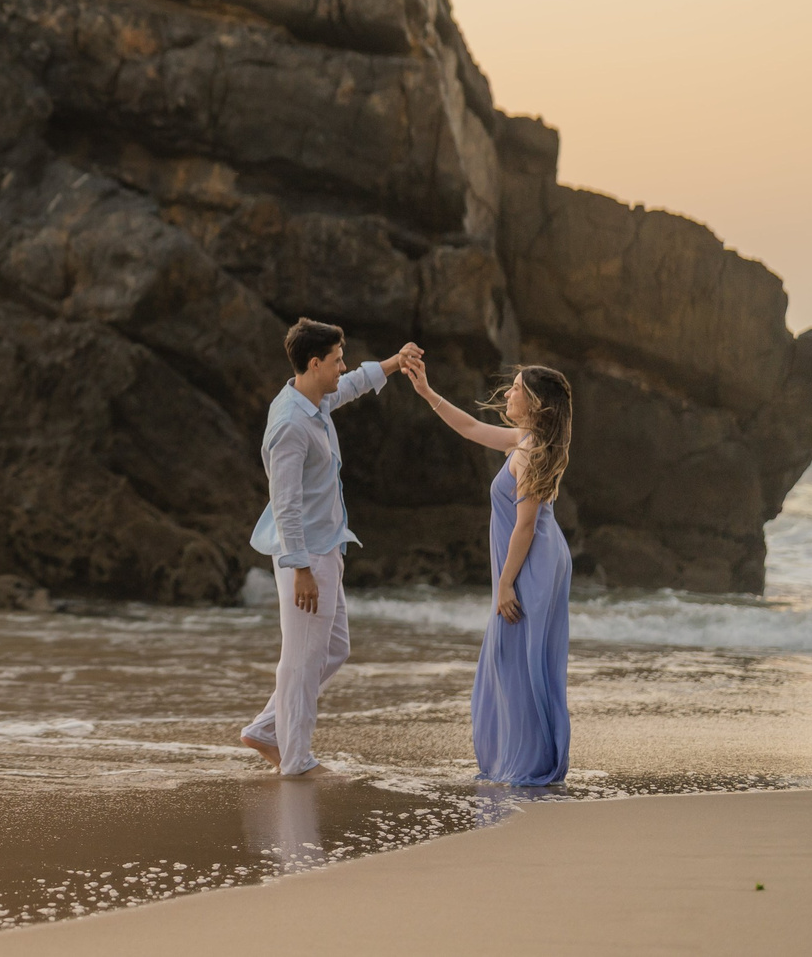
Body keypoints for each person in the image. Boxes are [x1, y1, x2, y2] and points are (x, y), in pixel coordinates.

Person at [240, 319, 424, 776]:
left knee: (334, 649)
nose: (343, 367)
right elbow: (285, 503)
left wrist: (395, 363)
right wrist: (300, 568)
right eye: (338, 360)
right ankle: (296, 759)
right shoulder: (289, 424)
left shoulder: (314, 400)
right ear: (314, 363)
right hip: (305, 555)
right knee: (301, 662)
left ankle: (266, 728)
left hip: (327, 546)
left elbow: (353, 385)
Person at [406, 358, 575, 786]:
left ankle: (525, 765)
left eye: (516, 388)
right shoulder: (526, 440)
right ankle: (522, 760)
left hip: (532, 562)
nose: (507, 394)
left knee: (515, 658)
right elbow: (469, 428)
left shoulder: (531, 451)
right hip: (539, 557)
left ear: (534, 402)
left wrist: (504, 584)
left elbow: (525, 525)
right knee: (518, 658)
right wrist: (427, 392)